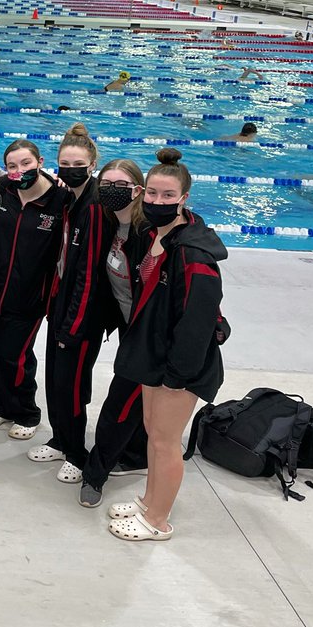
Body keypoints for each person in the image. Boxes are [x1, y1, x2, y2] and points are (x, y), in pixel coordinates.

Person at [109, 149, 228, 542]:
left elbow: (198, 320)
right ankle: (149, 501)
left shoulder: (193, 253)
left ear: (184, 199)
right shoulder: (155, 235)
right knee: (151, 431)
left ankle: (158, 520)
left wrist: (179, 375)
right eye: (153, 195)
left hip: (181, 366)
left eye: (168, 196)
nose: (158, 202)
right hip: (154, 354)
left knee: (165, 441)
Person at [0, 140, 72, 438]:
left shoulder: (60, 199)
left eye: (26, 164)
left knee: (14, 356)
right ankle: (0, 404)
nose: (20, 171)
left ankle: (26, 412)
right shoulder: (2, 189)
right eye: (13, 166)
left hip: (30, 296)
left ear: (40, 161)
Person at [79, 159, 153, 508]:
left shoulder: (149, 233)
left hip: (150, 337)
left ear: (138, 190)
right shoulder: (110, 224)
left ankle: (95, 474)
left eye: (120, 185)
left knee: (118, 404)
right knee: (137, 399)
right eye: (105, 183)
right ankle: (137, 454)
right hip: (127, 325)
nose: (111, 190)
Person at [33, 124, 105, 484]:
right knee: (56, 379)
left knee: (72, 385)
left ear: (92, 164)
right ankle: (60, 439)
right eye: (64, 162)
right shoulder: (71, 199)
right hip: (61, 305)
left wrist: (73, 326)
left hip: (82, 315)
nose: (70, 168)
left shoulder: (92, 208)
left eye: (78, 162)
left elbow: (89, 274)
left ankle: (77, 453)